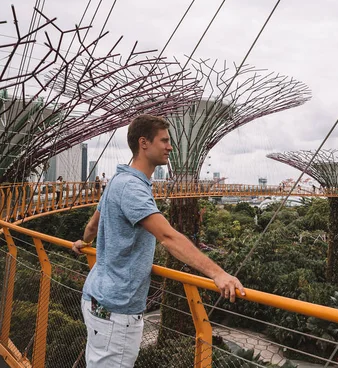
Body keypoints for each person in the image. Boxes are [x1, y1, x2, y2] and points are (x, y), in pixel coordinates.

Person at [72, 115, 245, 367]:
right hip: (117, 310)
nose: (170, 147)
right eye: (164, 141)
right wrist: (217, 274)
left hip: (97, 298)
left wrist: (82, 242)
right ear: (144, 143)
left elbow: (93, 225)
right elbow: (167, 236)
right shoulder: (132, 188)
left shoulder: (118, 180)